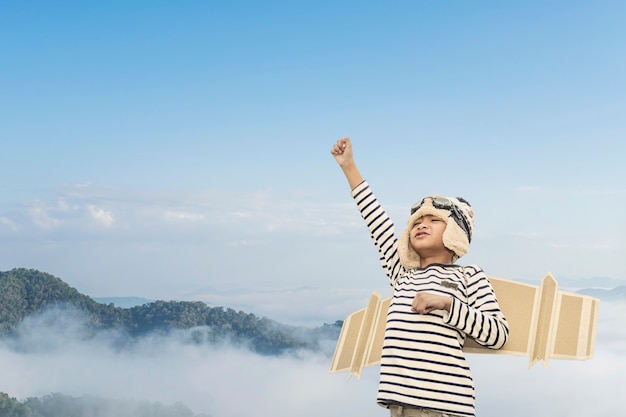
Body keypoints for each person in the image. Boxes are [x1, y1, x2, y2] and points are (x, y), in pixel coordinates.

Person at [330, 137, 509, 417]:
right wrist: (349, 167)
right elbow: (376, 221)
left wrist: (448, 303)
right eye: (416, 222)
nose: (422, 224)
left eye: (434, 220)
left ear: (456, 233)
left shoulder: (469, 276)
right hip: (399, 407)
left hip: (442, 409)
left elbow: (498, 335)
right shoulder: (402, 275)